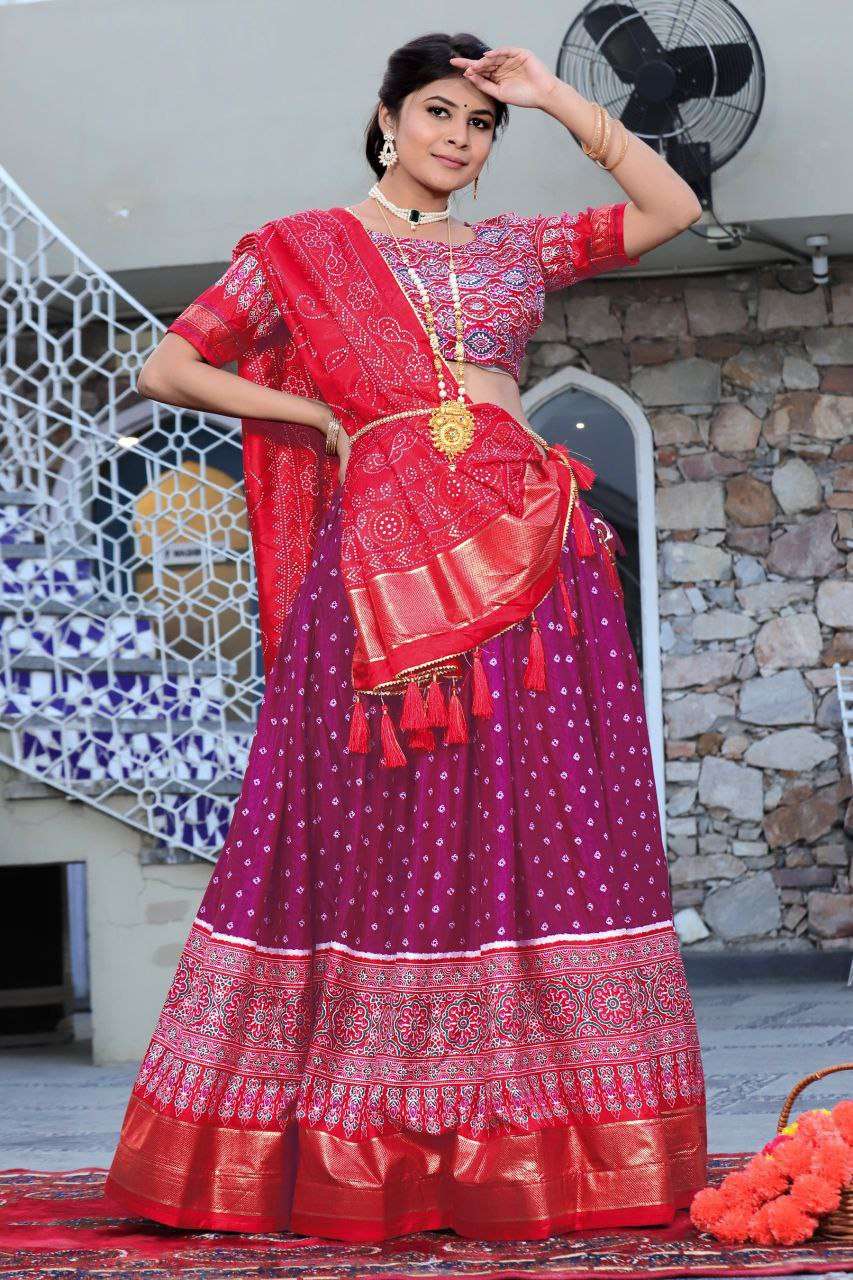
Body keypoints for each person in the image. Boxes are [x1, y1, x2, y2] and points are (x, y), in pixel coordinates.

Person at [104, 31, 708, 1243]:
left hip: (529, 553)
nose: (458, 137)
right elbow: (171, 367)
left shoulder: (512, 247)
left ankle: (547, 1133)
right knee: (388, 823)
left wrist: (549, 94)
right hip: (382, 571)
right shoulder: (300, 249)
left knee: (542, 820)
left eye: (479, 125)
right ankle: (378, 1133)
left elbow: (671, 208)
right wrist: (323, 420)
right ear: (388, 118)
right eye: (438, 111)